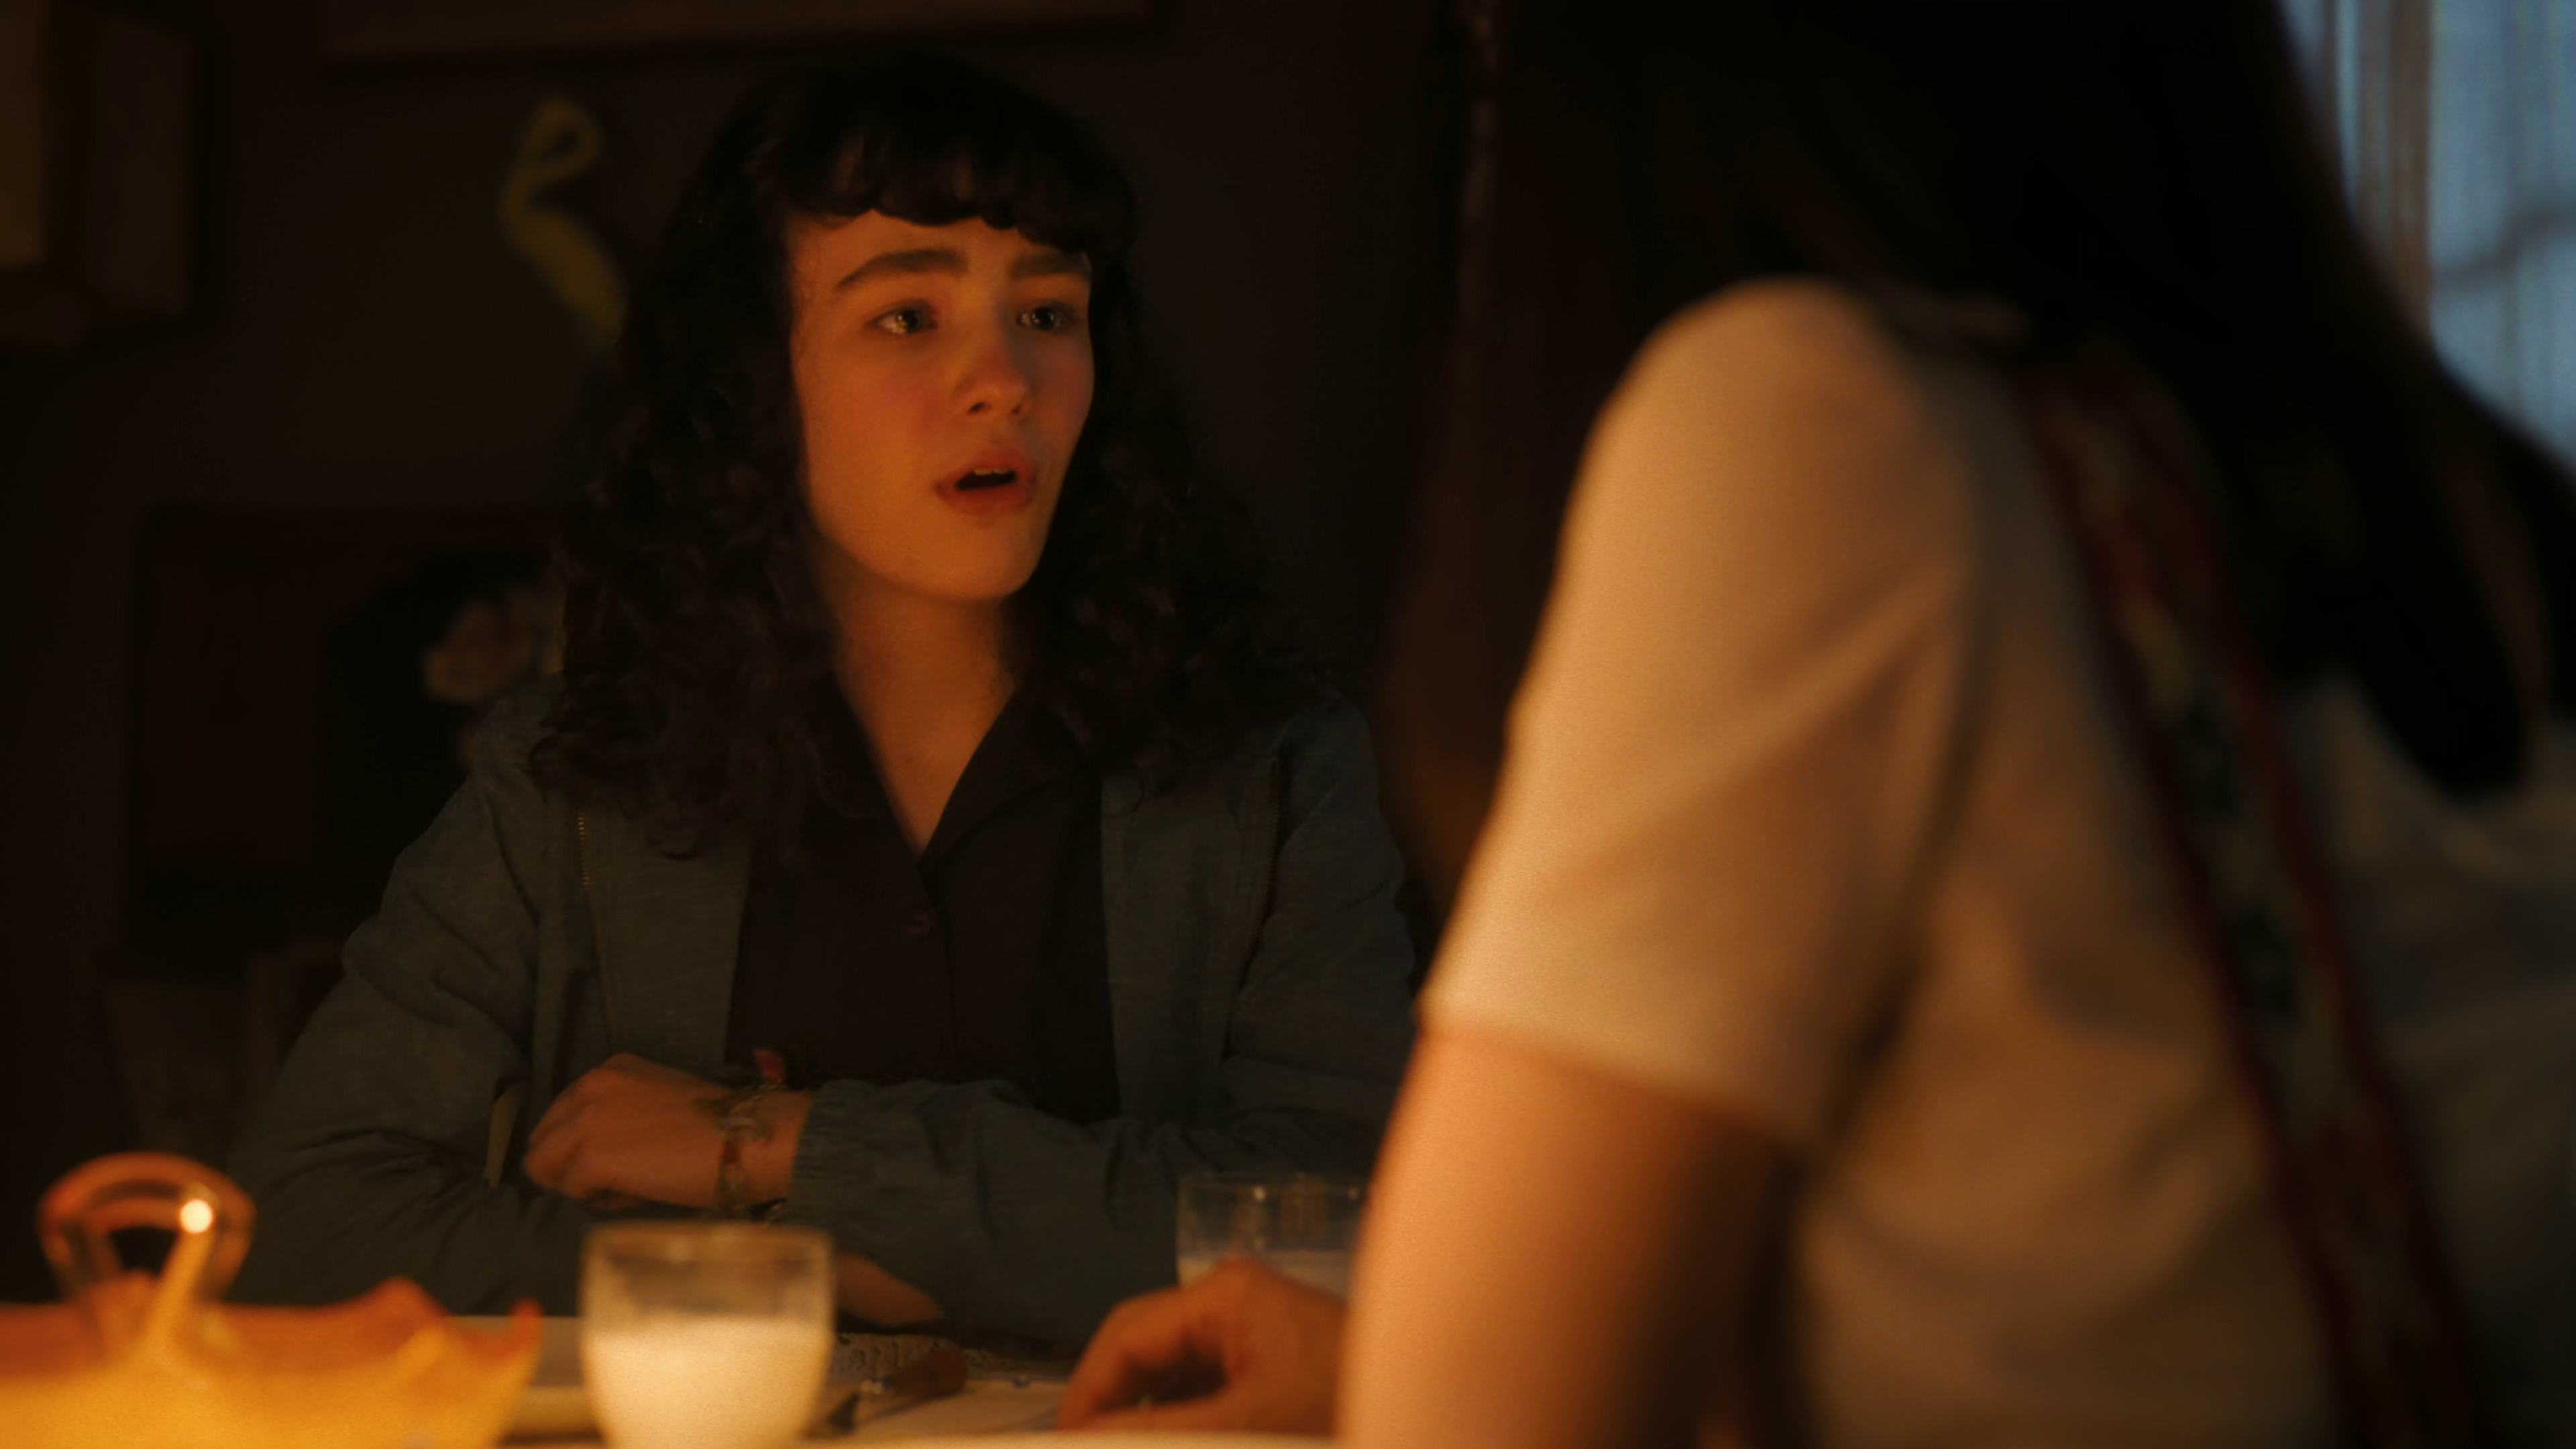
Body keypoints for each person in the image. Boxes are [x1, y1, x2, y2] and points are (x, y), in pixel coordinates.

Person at [1060, 2, 2576, 1442]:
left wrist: (1432, 1367)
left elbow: (1485, 1425)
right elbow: (2130, 1281)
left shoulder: (1828, 432)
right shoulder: (2437, 483)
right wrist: (1374, 1361)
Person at [226, 52, 1417, 1348]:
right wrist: (815, 1271)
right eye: (908, 318)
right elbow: (305, 1223)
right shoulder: (573, 782)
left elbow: (1355, 1231)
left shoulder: (1271, 768)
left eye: (1047, 311)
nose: (1006, 379)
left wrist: (776, 1144)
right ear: (755, 385)